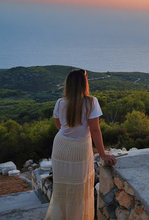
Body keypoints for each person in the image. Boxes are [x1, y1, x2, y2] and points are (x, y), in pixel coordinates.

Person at [45, 69, 116, 220]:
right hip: (80, 148)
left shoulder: (60, 102)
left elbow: (59, 125)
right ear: (84, 83)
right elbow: (95, 130)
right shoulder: (91, 102)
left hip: (61, 146)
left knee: (63, 187)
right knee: (80, 188)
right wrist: (103, 154)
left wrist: (70, 134)